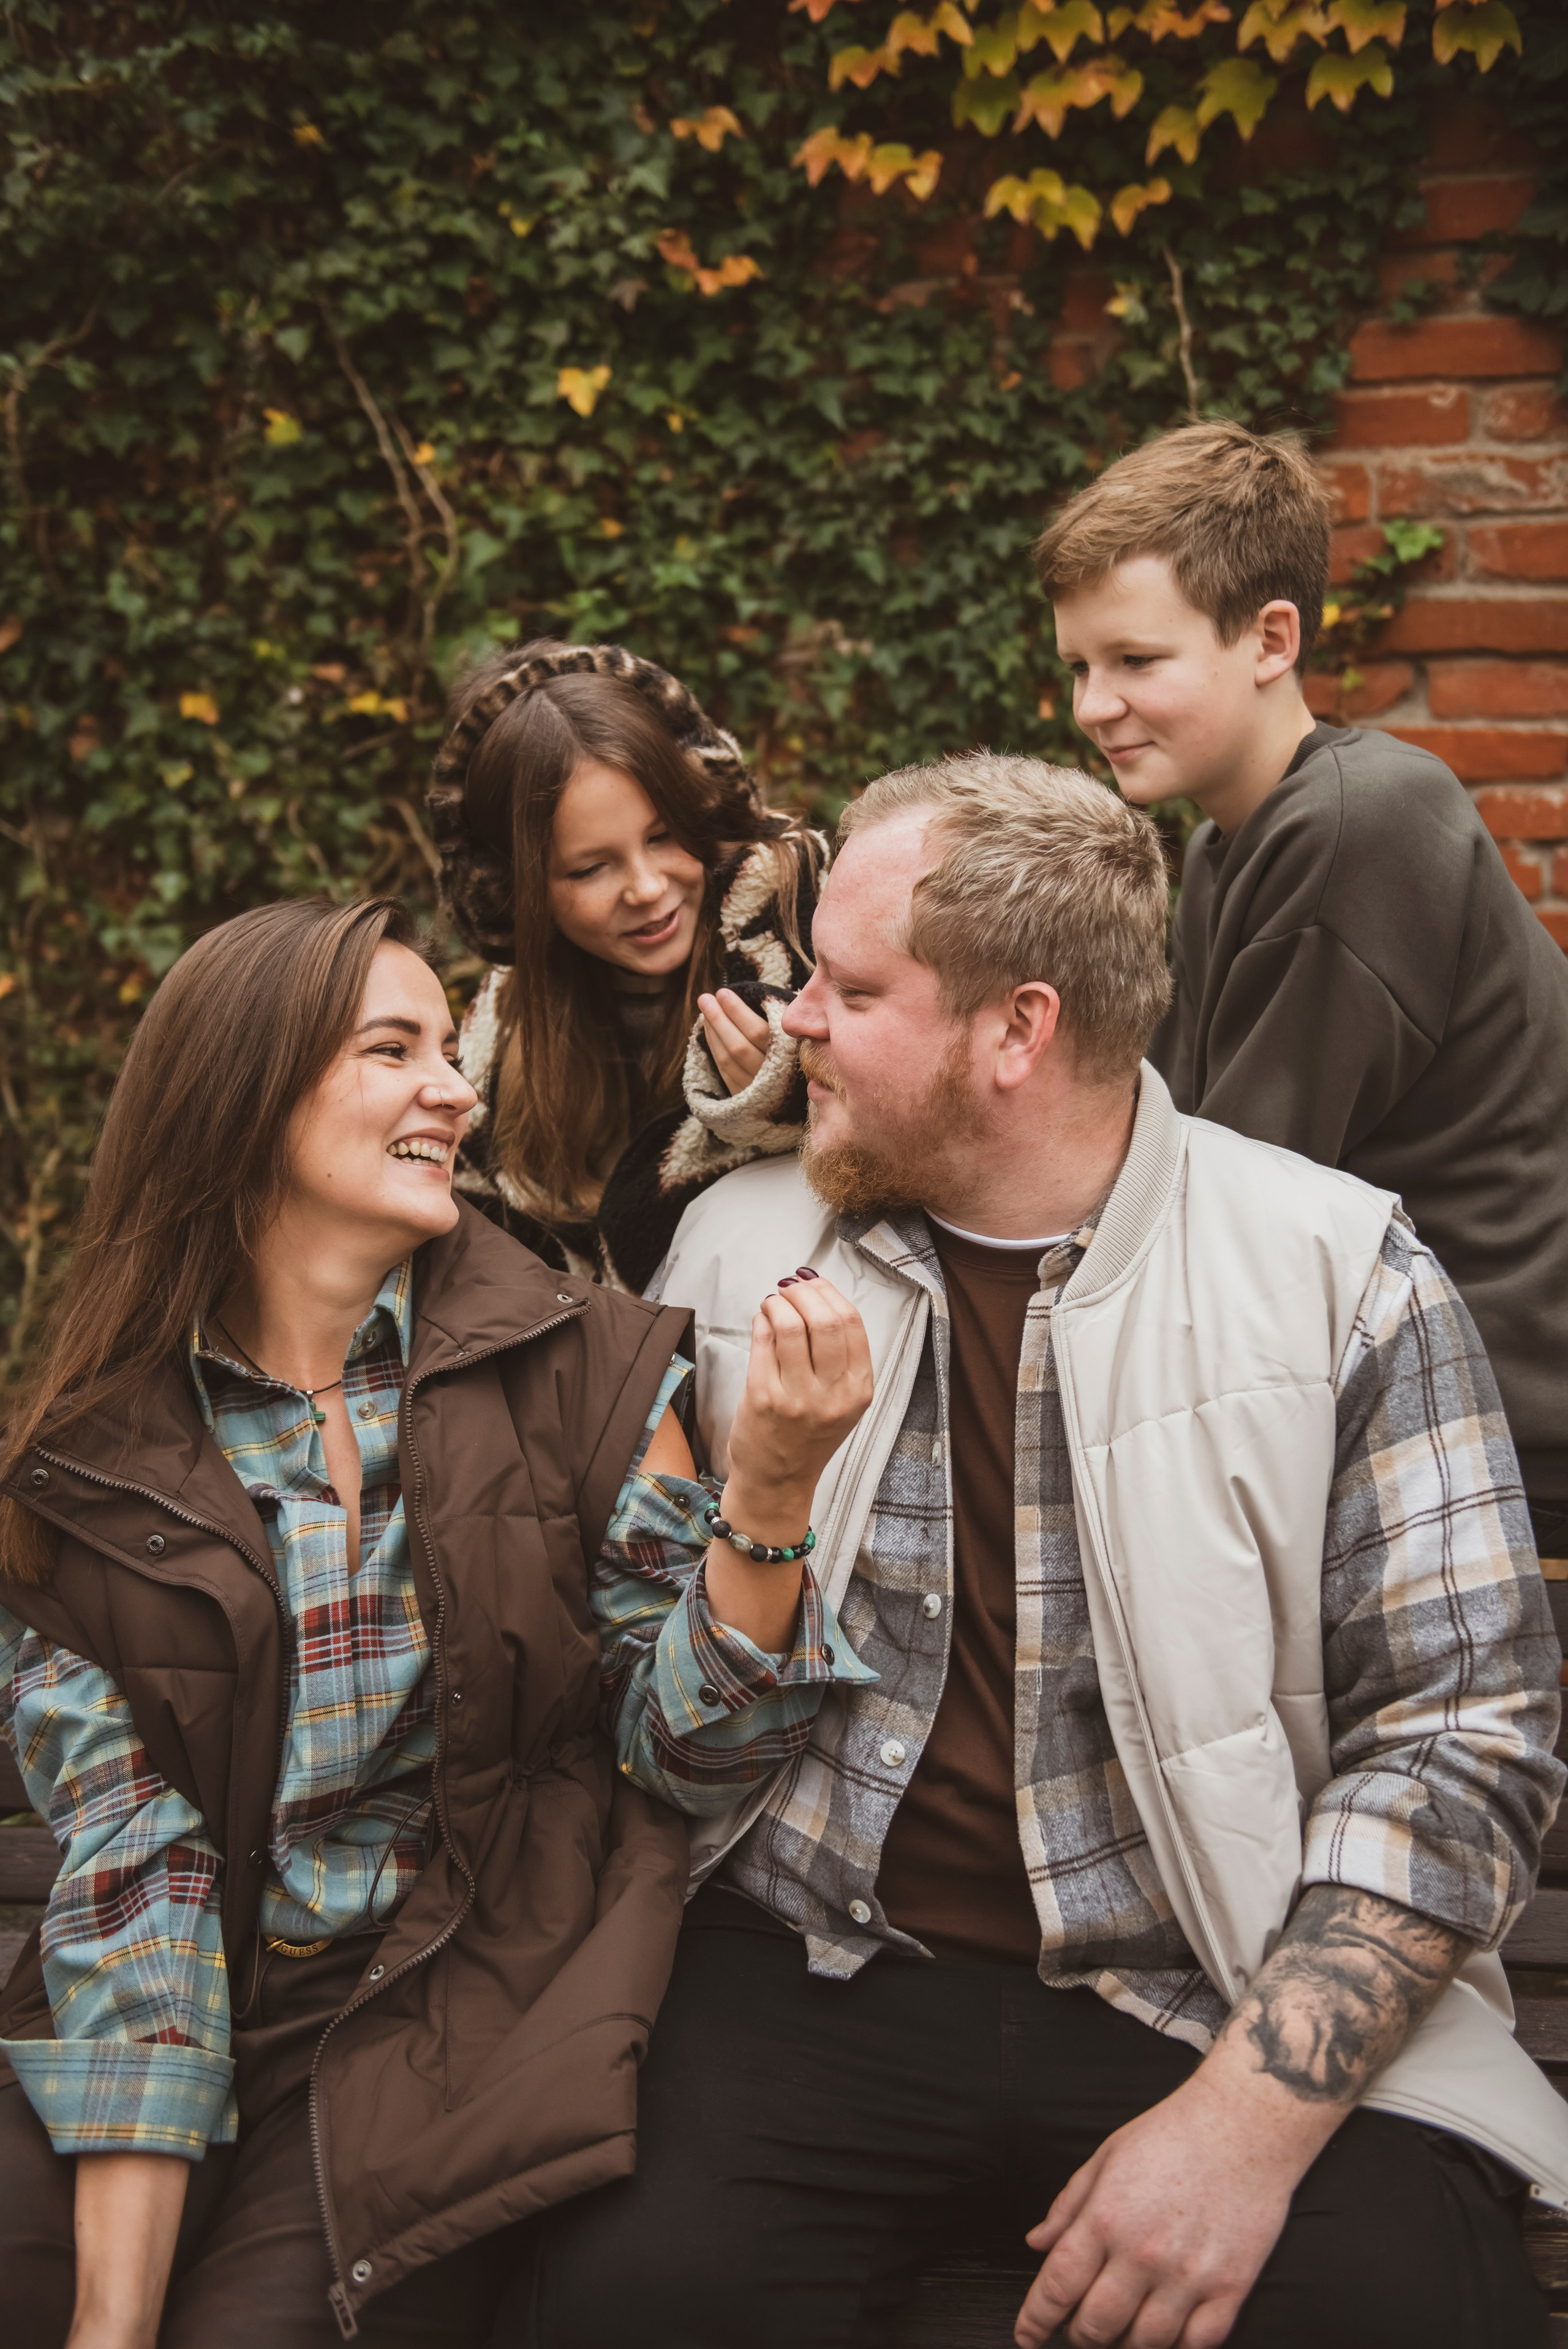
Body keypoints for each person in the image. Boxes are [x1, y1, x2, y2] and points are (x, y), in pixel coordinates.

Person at [501, 755, 1568, 2349]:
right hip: (804, 1966)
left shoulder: (1338, 1272)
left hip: (1213, 1967)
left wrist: (1248, 2121)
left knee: (1399, 2309)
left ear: (1018, 1031)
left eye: (852, 990)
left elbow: (1463, 1737)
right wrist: (767, 1498)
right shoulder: (732, 1253)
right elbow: (668, 1753)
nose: (794, 1022)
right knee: (620, 2302)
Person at [0, 894, 864, 2347]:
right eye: (392, 1049)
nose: (457, 1089)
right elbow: (136, 1877)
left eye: (447, 1050)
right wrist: (108, 2314)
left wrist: (768, 1490)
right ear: (247, 1089)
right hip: (159, 1987)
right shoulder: (95, 1460)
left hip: (448, 1999)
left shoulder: (584, 1368)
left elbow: (686, 1757)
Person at [1034, 419, 1568, 1566]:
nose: (1093, 705)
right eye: (1080, 666)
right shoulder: (1230, 846)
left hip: (1501, 1442)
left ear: (1271, 638)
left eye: (1136, 661)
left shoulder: (1358, 822)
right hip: (1399, 1403)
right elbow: (1163, 1141)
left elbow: (1229, 1202)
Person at [426, 637, 826, 1294]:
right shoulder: (503, 1032)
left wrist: (790, 1098)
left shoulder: (809, 927)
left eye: (662, 836)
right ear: (518, 892)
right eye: (591, 868)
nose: (646, 888)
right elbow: (475, 1236)